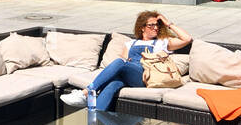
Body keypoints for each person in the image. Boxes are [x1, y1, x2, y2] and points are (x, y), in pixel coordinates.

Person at [61, 11, 192, 112]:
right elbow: (123, 62)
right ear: (142, 28)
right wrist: (126, 63)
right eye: (151, 25)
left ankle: (86, 92)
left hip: (146, 76)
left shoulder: (162, 43)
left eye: (157, 25)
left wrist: (168, 23)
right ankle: (93, 120)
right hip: (129, 75)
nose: (155, 28)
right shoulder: (130, 43)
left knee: (119, 62)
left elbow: (187, 38)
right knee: (113, 84)